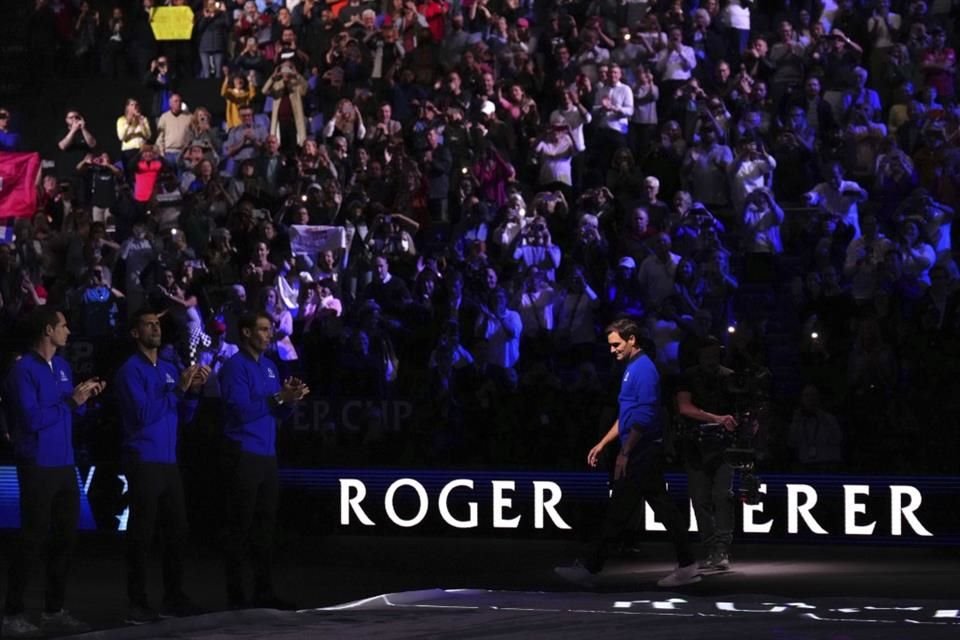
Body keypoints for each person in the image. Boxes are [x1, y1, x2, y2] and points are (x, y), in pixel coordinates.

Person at [555, 317, 700, 588]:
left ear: (632, 340)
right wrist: (604, 443)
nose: (612, 350)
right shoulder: (632, 368)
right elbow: (627, 413)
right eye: (610, 346)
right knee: (661, 507)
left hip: (642, 450)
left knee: (619, 511)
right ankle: (688, 564)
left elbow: (643, 416)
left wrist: (625, 451)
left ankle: (590, 567)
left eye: (616, 344)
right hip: (642, 449)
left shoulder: (643, 369)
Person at [2, 308, 106, 637]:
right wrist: (71, 403)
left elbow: (66, 414)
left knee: (65, 539)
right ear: (48, 330)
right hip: (38, 465)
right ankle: (12, 613)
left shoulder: (61, 366)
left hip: (65, 465)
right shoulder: (22, 371)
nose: (69, 331)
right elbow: (31, 420)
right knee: (32, 540)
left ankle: (53, 610)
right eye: (63, 325)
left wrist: (85, 398)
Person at [114, 310, 210, 624]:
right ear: (134, 333)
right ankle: (137, 602)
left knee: (177, 532)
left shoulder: (170, 368)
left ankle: (173, 597)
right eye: (148, 324)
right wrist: (179, 390)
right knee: (142, 533)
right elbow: (142, 414)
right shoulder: (130, 371)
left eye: (158, 324)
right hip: (143, 459)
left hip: (169, 461)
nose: (156, 327)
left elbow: (184, 417)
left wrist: (193, 393)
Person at [219, 312, 310, 609]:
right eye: (262, 329)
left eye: (269, 329)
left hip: (267, 455)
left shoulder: (271, 366)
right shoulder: (235, 367)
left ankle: (263, 592)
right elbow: (240, 410)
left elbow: (277, 413)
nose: (268, 334)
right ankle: (236, 596)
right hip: (243, 453)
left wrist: (291, 400)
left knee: (265, 528)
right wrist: (277, 399)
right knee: (240, 527)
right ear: (245, 333)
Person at [675, 336, 739, 570]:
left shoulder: (730, 376)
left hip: (724, 446)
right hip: (695, 445)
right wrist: (716, 419)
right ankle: (711, 548)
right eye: (707, 354)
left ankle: (722, 550)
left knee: (723, 495)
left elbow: (740, 410)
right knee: (700, 498)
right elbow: (684, 407)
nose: (712, 359)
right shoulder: (688, 377)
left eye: (715, 354)